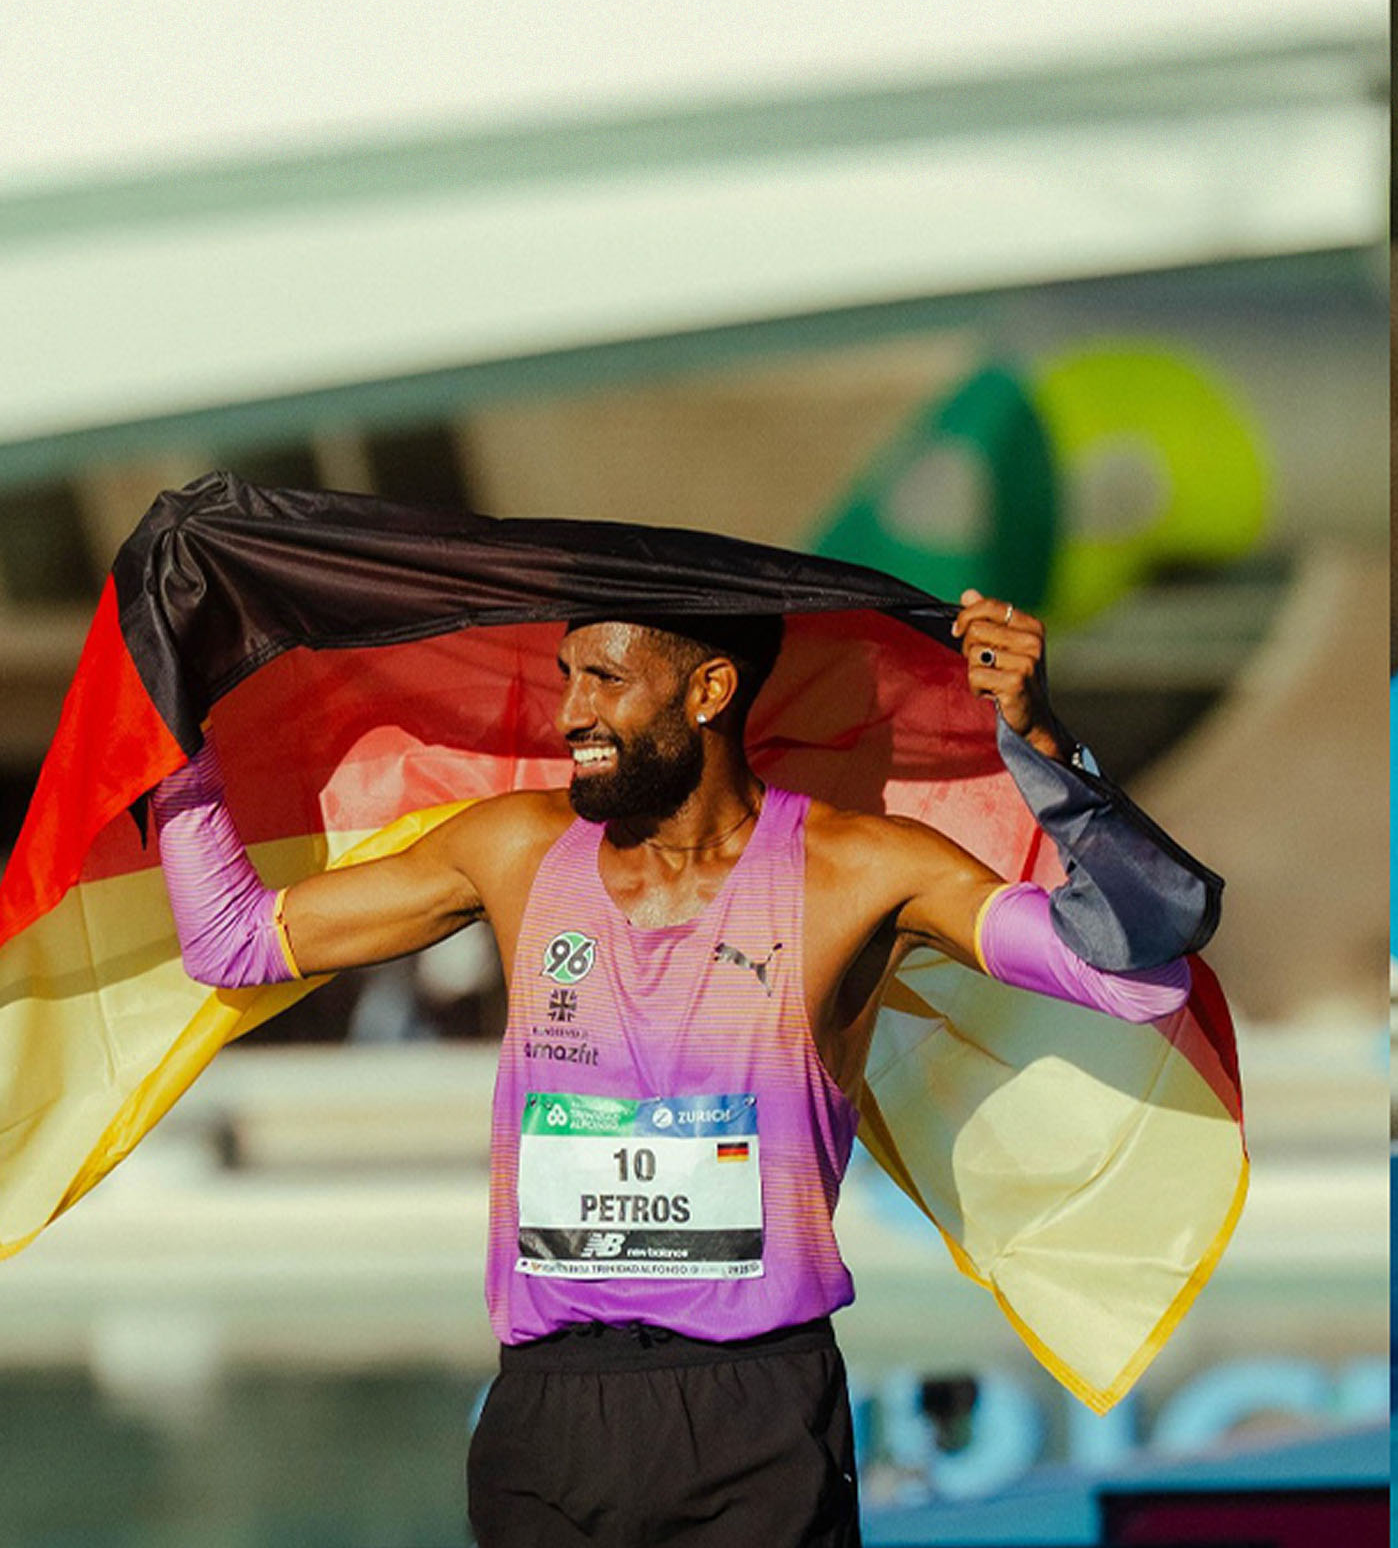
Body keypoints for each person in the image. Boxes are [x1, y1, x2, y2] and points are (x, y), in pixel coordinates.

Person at [150, 592, 1212, 1548]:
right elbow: (236, 942)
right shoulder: (515, 851)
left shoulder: (862, 868)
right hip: (548, 1417)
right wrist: (171, 747)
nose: (569, 712)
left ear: (708, 691)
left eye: (603, 678)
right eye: (567, 676)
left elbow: (1137, 973)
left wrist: (1043, 742)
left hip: (757, 1419)